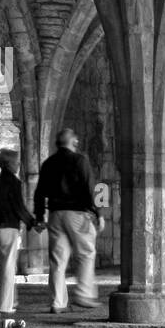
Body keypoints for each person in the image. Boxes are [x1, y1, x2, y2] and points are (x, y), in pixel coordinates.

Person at [34, 128, 105, 313]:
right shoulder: (79, 160)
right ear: (74, 142)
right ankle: (84, 294)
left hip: (56, 215)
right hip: (77, 214)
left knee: (57, 260)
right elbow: (90, 188)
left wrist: (40, 216)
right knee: (86, 253)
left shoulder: (49, 163)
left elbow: (39, 192)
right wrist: (98, 213)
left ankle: (57, 303)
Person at [0, 149, 35, 328]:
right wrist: (32, 223)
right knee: (7, 269)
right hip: (8, 228)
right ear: (9, 164)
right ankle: (4, 306)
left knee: (1, 267)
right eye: (16, 162)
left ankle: (13, 300)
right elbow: (18, 207)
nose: (18, 165)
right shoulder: (14, 182)